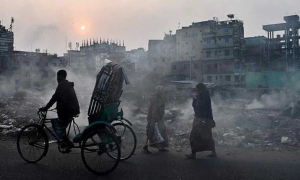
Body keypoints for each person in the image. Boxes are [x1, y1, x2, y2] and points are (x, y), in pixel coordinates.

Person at [39, 70, 80, 152]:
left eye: (57, 77)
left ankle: (68, 143)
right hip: (72, 110)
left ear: (59, 77)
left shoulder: (62, 85)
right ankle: (64, 144)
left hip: (68, 111)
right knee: (61, 126)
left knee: (56, 125)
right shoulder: (67, 84)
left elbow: (54, 98)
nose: (57, 79)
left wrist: (45, 108)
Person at [186, 83, 217, 159]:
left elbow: (207, 110)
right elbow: (196, 106)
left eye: (198, 89)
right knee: (207, 136)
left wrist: (206, 120)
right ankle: (213, 152)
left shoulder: (204, 97)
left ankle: (193, 154)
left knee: (195, 136)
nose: (197, 91)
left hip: (202, 120)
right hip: (200, 119)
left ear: (201, 89)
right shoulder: (200, 96)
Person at [143, 86, 169, 153]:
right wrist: (154, 118)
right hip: (155, 118)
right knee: (151, 132)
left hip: (159, 117)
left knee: (161, 132)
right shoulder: (155, 98)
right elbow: (153, 108)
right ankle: (145, 147)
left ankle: (161, 147)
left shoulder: (159, 97)